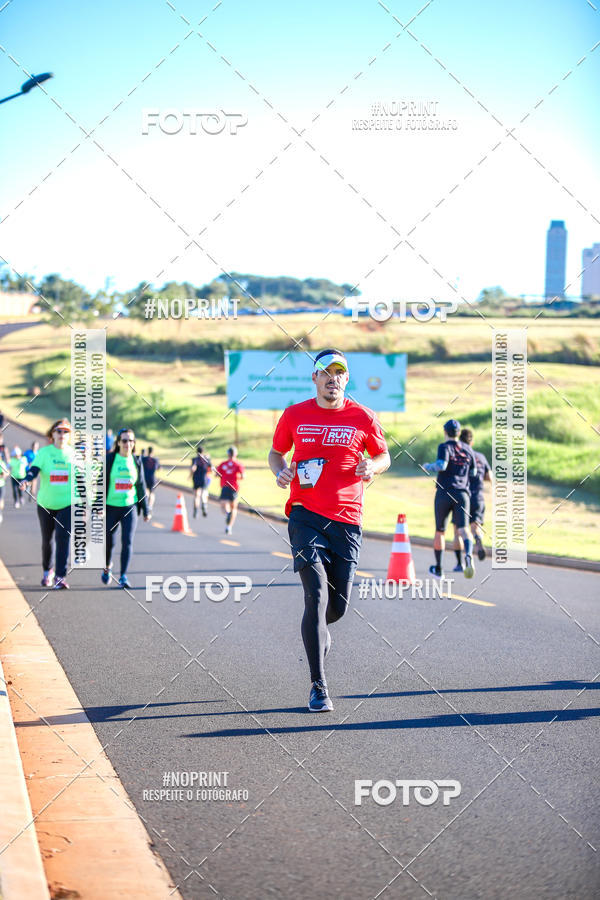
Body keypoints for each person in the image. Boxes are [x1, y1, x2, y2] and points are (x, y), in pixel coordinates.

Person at [269, 349, 390, 713]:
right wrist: (281, 470)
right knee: (316, 595)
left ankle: (319, 630)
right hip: (304, 515)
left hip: (347, 520)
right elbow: (276, 453)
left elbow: (384, 455)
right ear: (315, 378)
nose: (332, 378)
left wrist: (372, 467)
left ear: (346, 378)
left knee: (337, 608)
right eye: (325, 372)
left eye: (339, 372)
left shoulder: (363, 417)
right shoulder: (295, 415)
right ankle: (318, 685)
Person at [423, 419, 477, 580]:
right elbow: (473, 472)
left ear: (445, 432)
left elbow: (442, 465)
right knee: (463, 529)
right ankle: (468, 555)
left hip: (445, 492)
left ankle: (439, 569)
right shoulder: (468, 449)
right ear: (459, 433)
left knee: (440, 531)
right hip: (463, 493)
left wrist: (427, 466)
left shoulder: (444, 447)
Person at [25, 419, 73, 589]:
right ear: (52, 434)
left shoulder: (74, 455)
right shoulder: (44, 453)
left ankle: (60, 576)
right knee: (47, 540)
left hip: (67, 504)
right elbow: (34, 470)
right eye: (59, 431)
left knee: (63, 538)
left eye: (66, 431)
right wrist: (27, 479)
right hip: (45, 504)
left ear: (69, 435)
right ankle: (47, 571)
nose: (62, 434)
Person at [103, 428, 150, 588]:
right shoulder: (110, 459)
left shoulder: (136, 461)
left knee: (127, 541)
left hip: (130, 507)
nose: (127, 444)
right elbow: (100, 483)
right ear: (118, 442)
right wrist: (98, 505)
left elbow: (141, 485)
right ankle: (107, 566)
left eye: (131, 440)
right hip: (111, 507)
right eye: (124, 440)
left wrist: (146, 509)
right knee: (109, 542)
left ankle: (123, 576)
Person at [459, 427, 492, 561]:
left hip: (463, 496)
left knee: (460, 529)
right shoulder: (481, 457)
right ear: (471, 442)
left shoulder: (459, 455)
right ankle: (478, 540)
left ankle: (462, 560)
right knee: (475, 526)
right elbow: (490, 477)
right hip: (478, 497)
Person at [215, 446, 244, 534]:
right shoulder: (238, 464)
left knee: (223, 506)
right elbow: (243, 476)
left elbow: (216, 475)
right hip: (234, 487)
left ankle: (227, 514)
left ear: (228, 454)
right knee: (233, 508)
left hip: (225, 486)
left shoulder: (223, 464)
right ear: (236, 454)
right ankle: (229, 527)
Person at [190, 444, 212, 518]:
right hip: (204, 478)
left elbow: (193, 468)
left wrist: (190, 475)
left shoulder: (195, 459)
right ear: (203, 451)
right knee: (204, 493)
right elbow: (210, 469)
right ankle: (204, 506)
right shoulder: (207, 459)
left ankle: (196, 511)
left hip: (196, 479)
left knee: (197, 495)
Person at [141, 445, 160, 511]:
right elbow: (158, 468)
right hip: (152, 478)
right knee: (152, 493)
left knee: (146, 491)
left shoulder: (144, 459)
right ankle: (150, 506)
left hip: (145, 477)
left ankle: (146, 505)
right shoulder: (155, 460)